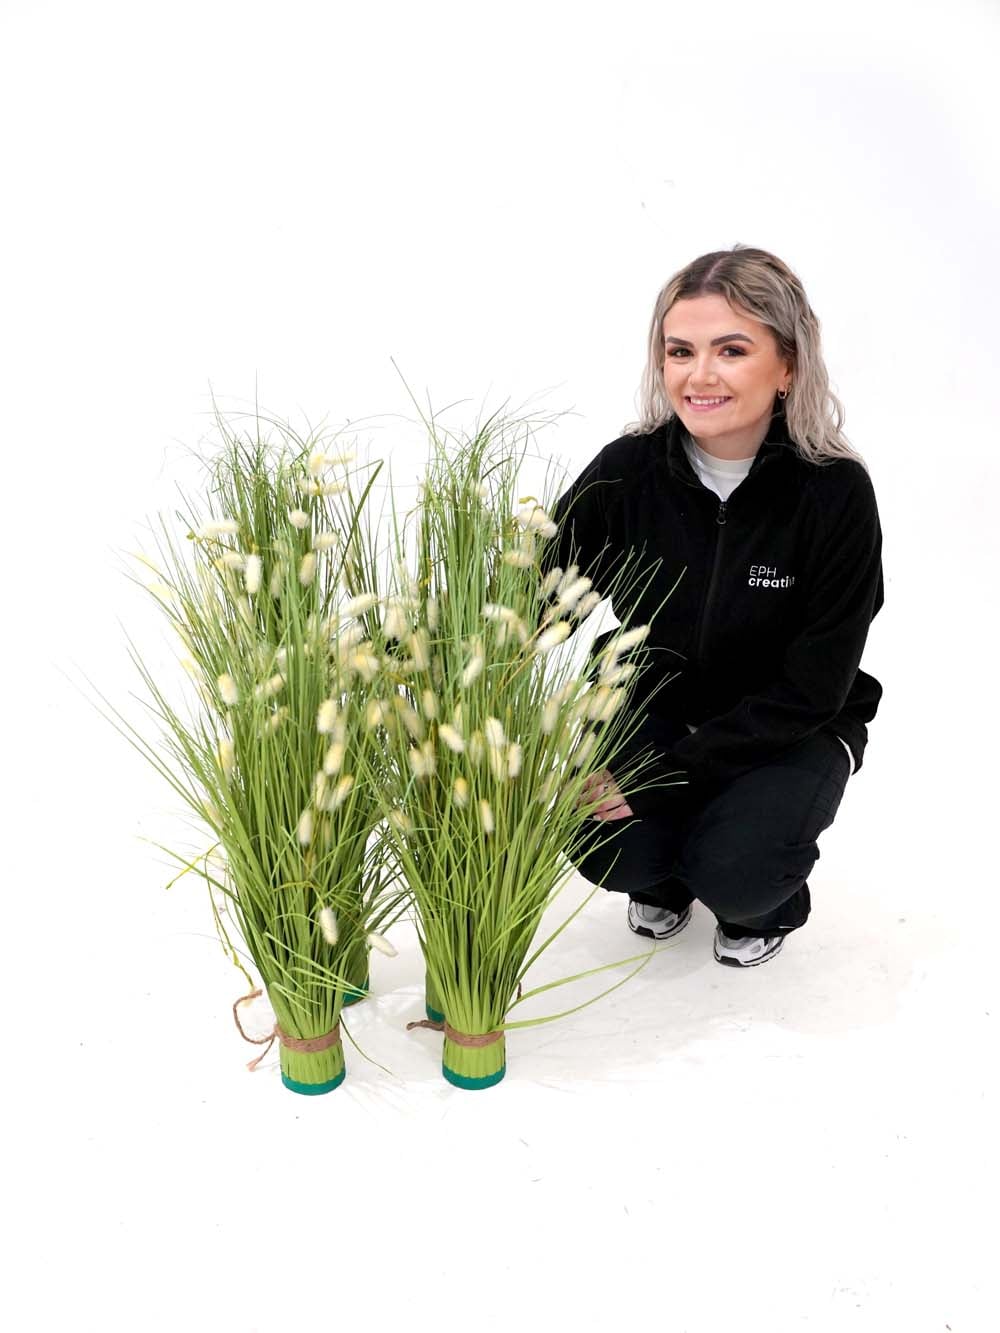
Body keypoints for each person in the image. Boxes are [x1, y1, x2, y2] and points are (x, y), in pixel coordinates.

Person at [547, 245, 884, 967]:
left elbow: (813, 688)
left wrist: (664, 775)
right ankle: (664, 873)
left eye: (731, 350)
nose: (699, 375)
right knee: (607, 843)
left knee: (738, 871)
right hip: (656, 699)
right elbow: (539, 599)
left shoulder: (834, 494)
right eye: (681, 351)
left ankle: (760, 899)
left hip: (791, 723)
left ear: (788, 365)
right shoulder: (628, 472)